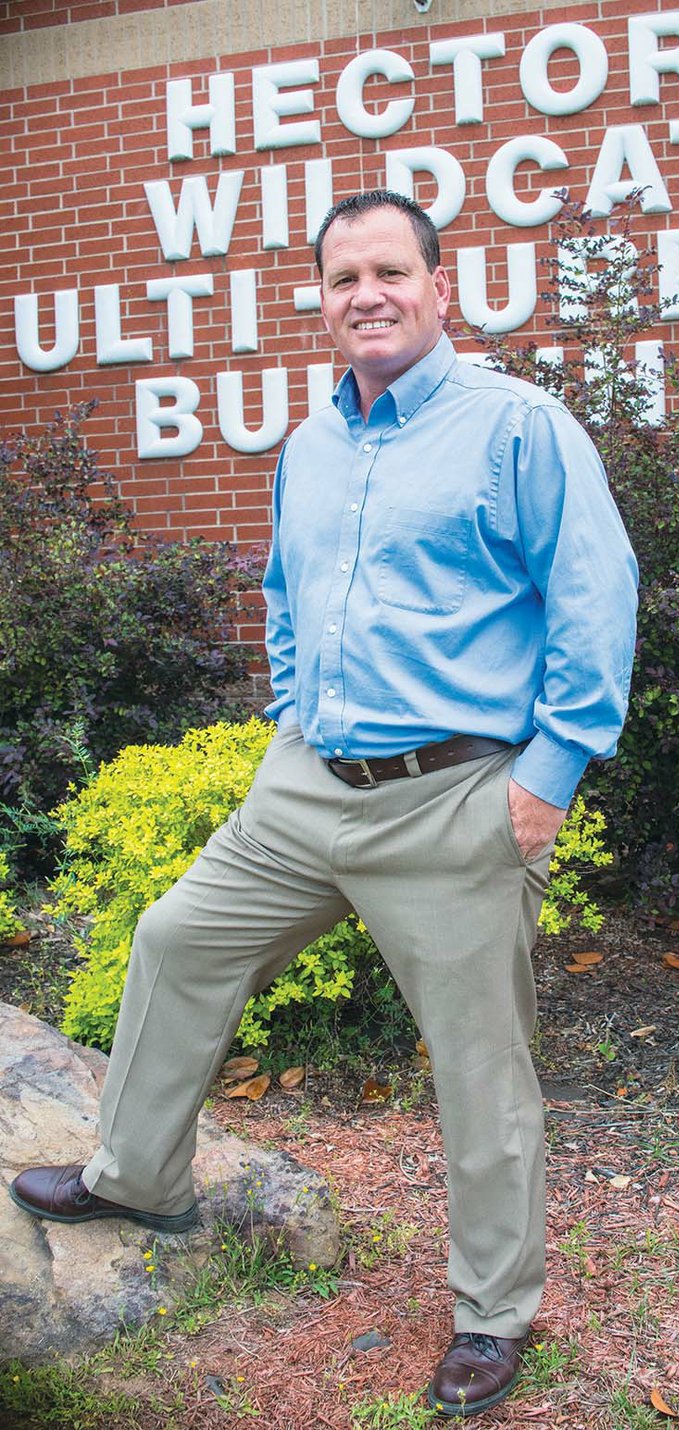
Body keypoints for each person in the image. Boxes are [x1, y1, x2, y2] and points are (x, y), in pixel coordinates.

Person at [10, 190, 638, 1419]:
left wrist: (544, 777)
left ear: (439, 286)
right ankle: (137, 1173)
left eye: (389, 270)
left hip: (453, 799)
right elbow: (288, 591)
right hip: (303, 792)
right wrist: (289, 713)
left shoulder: (519, 427)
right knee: (174, 938)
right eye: (343, 275)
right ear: (321, 300)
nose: (367, 293)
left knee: (476, 1067)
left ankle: (490, 1311)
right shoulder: (311, 441)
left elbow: (593, 598)